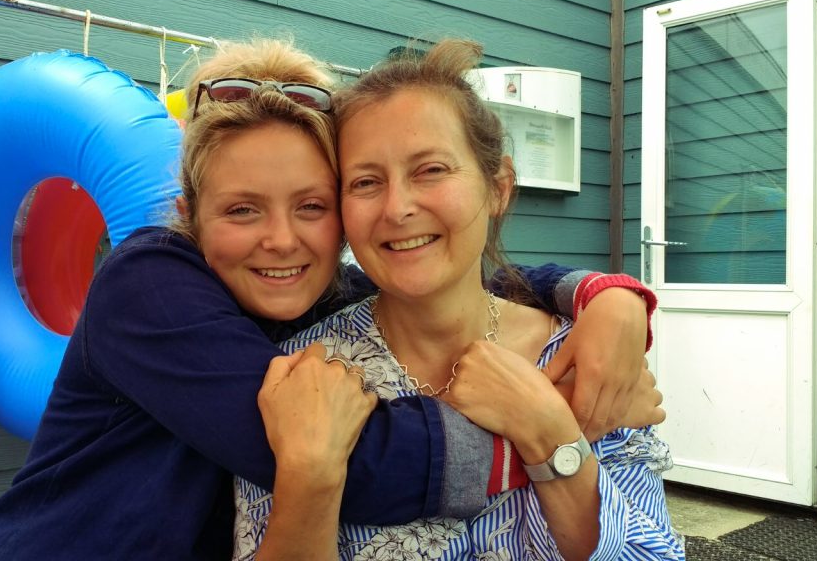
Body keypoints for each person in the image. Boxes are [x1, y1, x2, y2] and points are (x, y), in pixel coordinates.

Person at [0, 39, 657, 560]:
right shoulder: (146, 283)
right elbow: (359, 460)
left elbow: (461, 271)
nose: (281, 241)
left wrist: (605, 295)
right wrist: (558, 424)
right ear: (189, 214)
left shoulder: (320, 295)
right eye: (241, 210)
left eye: (311, 205)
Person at [234, 39, 683, 560]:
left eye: (431, 170)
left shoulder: (584, 354)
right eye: (366, 181)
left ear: (498, 189)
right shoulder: (307, 371)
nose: (398, 207)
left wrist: (551, 434)